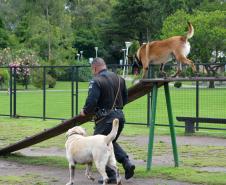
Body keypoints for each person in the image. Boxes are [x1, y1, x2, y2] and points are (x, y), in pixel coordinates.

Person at [80, 57, 135, 184]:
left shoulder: (96, 81)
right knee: (109, 142)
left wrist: (85, 111)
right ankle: (126, 163)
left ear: (94, 68)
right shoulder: (119, 79)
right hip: (120, 117)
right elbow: (125, 99)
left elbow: (92, 101)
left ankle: (111, 175)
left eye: (92, 70)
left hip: (105, 119)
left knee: (99, 145)